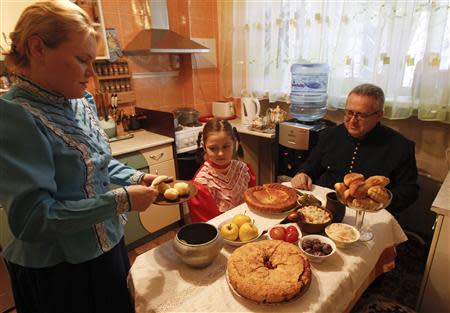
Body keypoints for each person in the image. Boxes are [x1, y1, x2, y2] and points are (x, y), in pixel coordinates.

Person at [0, 1, 166, 312]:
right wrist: (122, 200)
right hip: (59, 269)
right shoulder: (14, 115)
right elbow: (34, 219)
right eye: (82, 60)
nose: (92, 72)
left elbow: (97, 164)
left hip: (108, 245)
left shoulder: (81, 99)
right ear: (38, 48)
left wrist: (137, 177)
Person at [291, 83, 419, 214]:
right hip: (323, 207)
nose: (352, 120)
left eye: (361, 115)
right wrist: (303, 173)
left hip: (369, 214)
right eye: (349, 112)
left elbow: (409, 191)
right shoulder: (329, 135)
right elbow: (311, 165)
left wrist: (387, 197)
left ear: (379, 116)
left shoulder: (400, 146)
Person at [188, 119, 256, 222]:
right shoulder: (202, 182)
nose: (220, 153)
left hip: (247, 225)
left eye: (225, 146)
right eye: (213, 148)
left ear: (234, 143)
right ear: (205, 148)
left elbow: (252, 202)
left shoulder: (243, 170)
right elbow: (208, 224)